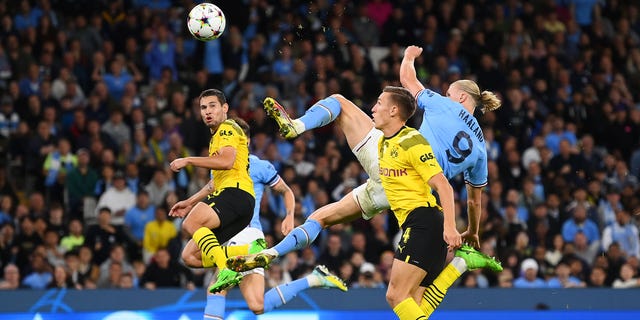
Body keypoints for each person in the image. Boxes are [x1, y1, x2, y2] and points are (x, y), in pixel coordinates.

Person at [227, 46, 502, 315]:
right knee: (413, 302)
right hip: (404, 192)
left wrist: (408, 56)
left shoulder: (445, 107)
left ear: (463, 99)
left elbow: (408, 80)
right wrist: (473, 232)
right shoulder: (481, 151)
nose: (445, 95)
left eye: (449, 92)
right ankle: (461, 265)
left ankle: (296, 126)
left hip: (397, 163)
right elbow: (474, 201)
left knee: (339, 103)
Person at [181, 118, 347, 318]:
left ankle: (241, 254)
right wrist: (190, 201)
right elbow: (212, 189)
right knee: (257, 305)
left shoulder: (259, 166)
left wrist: (289, 215)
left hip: (245, 231)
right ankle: (313, 279)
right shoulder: (219, 166)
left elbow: (286, 191)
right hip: (231, 233)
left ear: (247, 142)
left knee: (215, 288)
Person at [373, 86, 461, 319]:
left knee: (395, 296)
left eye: (379, 103)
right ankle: (460, 266)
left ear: (393, 110)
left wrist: (450, 227)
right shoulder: (384, 142)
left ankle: (460, 265)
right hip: (422, 225)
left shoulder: (412, 140)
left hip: (423, 222)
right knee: (414, 301)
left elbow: (444, 185)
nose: (373, 108)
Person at [168, 89, 257, 291]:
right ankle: (248, 252)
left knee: (191, 222)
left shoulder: (226, 128)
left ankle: (225, 268)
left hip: (235, 194)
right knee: (189, 256)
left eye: (212, 106)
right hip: (239, 202)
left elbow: (226, 162)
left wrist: (188, 159)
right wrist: (189, 202)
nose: (207, 111)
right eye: (203, 107)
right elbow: (214, 184)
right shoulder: (216, 138)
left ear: (224, 108)